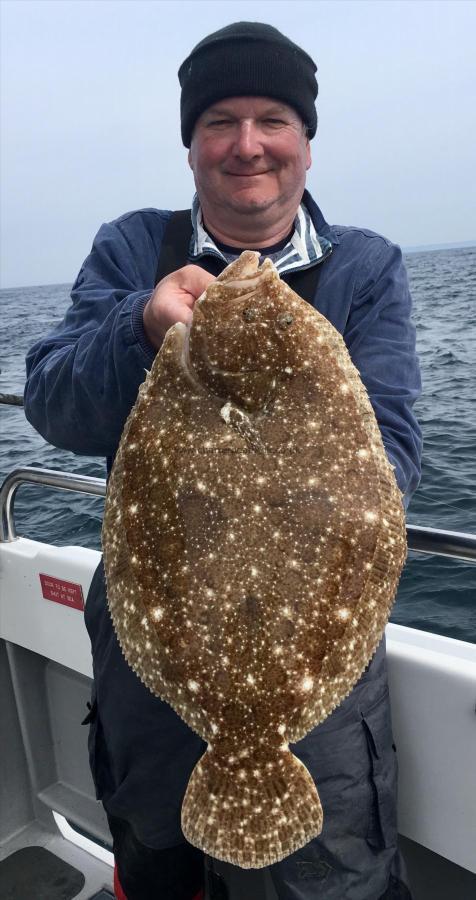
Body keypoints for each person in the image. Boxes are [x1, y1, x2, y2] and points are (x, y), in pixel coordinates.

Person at [24, 21, 422, 900]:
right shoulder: (134, 247)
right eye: (220, 122)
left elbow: (389, 453)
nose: (248, 144)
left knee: (325, 881)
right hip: (148, 663)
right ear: (191, 144)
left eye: (273, 118)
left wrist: (287, 490)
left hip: (315, 680)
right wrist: (140, 325)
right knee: (157, 858)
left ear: (306, 143)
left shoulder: (367, 268)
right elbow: (52, 401)